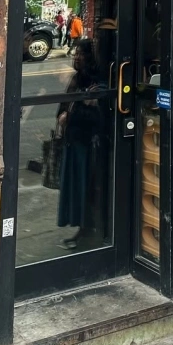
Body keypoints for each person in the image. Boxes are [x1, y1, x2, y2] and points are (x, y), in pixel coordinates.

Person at [57, 39, 108, 250]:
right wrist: (64, 114)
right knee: (77, 188)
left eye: (81, 54)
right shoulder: (78, 78)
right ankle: (82, 229)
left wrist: (71, 115)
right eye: (76, 53)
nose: (76, 57)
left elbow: (95, 117)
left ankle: (87, 230)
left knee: (84, 188)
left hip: (86, 143)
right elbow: (65, 104)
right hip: (74, 139)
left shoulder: (95, 82)